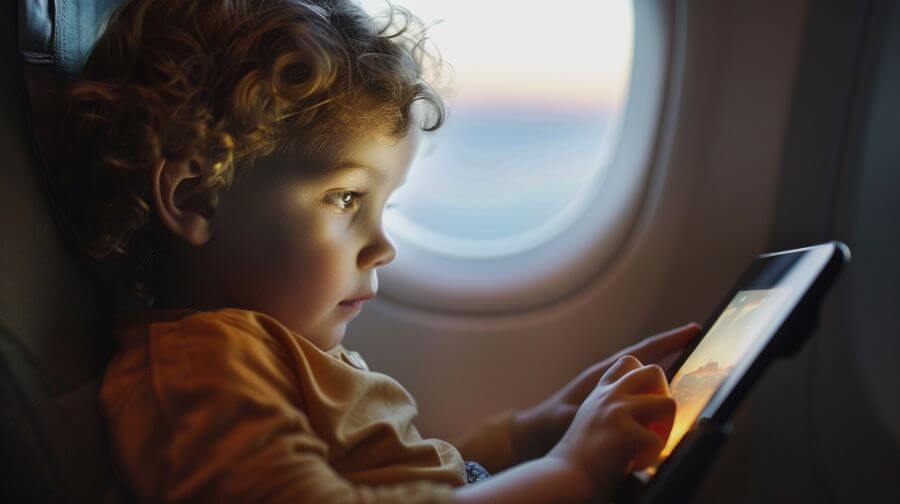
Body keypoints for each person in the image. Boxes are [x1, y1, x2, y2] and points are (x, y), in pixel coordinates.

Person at [53, 0, 701, 501]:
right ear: (196, 199)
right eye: (344, 199)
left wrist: (541, 428)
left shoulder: (276, 350)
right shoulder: (200, 371)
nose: (382, 247)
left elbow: (404, 479)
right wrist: (572, 471)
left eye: (385, 206)